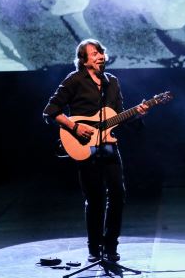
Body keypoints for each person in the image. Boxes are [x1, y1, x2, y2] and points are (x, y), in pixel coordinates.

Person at [43, 39, 148, 262]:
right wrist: (75, 127)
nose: (100, 56)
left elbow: (119, 116)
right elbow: (50, 111)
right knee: (95, 199)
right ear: (84, 60)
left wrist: (137, 113)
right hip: (85, 146)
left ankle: (110, 246)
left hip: (109, 146)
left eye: (101, 52)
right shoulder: (74, 80)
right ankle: (94, 247)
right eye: (94, 53)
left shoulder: (112, 82)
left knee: (117, 195)